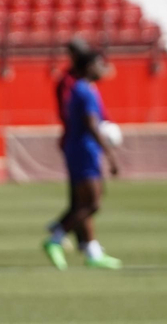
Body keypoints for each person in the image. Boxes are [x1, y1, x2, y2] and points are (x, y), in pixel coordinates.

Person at [43, 49, 121, 270]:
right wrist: (111, 154)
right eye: (98, 64)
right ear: (88, 67)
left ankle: (91, 252)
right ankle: (56, 236)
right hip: (84, 151)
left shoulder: (82, 89)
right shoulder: (84, 91)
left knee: (82, 203)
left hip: (79, 150)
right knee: (93, 202)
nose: (101, 69)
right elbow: (91, 124)